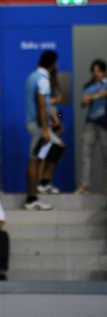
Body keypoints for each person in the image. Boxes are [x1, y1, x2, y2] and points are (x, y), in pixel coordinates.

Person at [24, 51, 65, 210]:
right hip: (39, 126)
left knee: (42, 155)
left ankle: (42, 184)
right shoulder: (43, 80)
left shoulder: (32, 77)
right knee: (36, 158)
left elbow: (46, 104)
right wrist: (46, 129)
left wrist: (55, 121)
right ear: (53, 63)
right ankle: (33, 197)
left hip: (36, 124)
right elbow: (41, 105)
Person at [75, 59, 107, 194]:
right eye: (94, 71)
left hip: (104, 123)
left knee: (106, 154)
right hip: (91, 122)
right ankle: (84, 185)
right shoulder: (89, 86)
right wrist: (84, 101)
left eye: (99, 71)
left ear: (103, 71)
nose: (96, 74)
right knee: (85, 154)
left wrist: (94, 97)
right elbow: (83, 104)